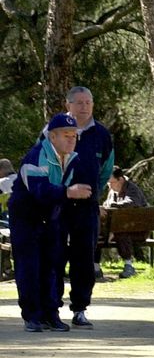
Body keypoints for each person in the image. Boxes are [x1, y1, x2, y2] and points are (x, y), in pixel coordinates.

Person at [8, 113, 92, 332]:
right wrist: (69, 193)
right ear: (52, 137)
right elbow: (39, 191)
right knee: (29, 267)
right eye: (66, 135)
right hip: (26, 218)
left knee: (52, 266)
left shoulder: (72, 158)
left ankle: (51, 314)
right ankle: (32, 316)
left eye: (74, 135)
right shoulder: (36, 156)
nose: (71, 139)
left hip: (51, 218)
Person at [55, 86, 115, 329]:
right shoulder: (54, 130)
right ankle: (52, 307)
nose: (84, 107)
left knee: (84, 258)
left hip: (87, 207)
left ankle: (79, 309)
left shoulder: (101, 134)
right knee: (55, 256)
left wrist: (91, 192)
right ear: (68, 105)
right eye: (79, 102)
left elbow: (106, 170)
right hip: (57, 205)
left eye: (88, 102)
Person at [96, 166, 148, 279]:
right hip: (117, 227)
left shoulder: (132, 189)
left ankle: (129, 266)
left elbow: (131, 203)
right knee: (95, 231)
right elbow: (107, 204)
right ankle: (95, 267)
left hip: (136, 229)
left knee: (121, 232)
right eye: (108, 183)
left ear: (120, 179)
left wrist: (112, 206)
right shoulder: (113, 190)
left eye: (111, 183)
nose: (109, 186)